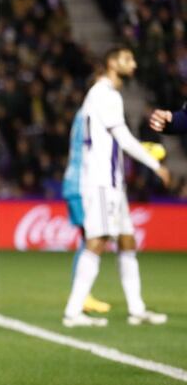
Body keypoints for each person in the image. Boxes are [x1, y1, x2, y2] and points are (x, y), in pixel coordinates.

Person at [62, 47, 170, 328]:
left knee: (126, 241)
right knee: (97, 241)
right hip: (100, 181)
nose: (133, 64)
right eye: (127, 59)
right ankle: (73, 312)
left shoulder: (103, 94)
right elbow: (122, 137)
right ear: (111, 63)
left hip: (111, 182)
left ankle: (137, 309)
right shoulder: (105, 94)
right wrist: (154, 164)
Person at [62, 108, 111, 315]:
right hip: (82, 182)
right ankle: (81, 298)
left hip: (74, 181)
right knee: (91, 239)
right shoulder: (93, 113)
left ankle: (83, 296)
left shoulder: (81, 115)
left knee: (88, 238)